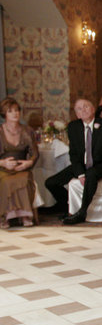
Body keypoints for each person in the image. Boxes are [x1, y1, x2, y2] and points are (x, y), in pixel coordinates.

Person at [45, 99, 102, 224]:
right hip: (82, 165)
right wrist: (79, 173)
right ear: (77, 114)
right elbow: (73, 154)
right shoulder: (73, 127)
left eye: (86, 106)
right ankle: (65, 207)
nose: (83, 110)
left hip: (101, 165)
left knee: (91, 174)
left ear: (93, 109)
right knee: (51, 182)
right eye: (79, 108)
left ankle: (82, 212)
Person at [0, 98, 39, 228]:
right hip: (3, 168)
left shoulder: (27, 131)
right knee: (5, 181)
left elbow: (35, 153)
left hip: (21, 167)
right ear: (4, 114)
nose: (15, 114)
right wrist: (3, 163)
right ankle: (5, 216)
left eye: (17, 110)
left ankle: (25, 215)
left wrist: (28, 163)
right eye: (10, 111)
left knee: (23, 179)